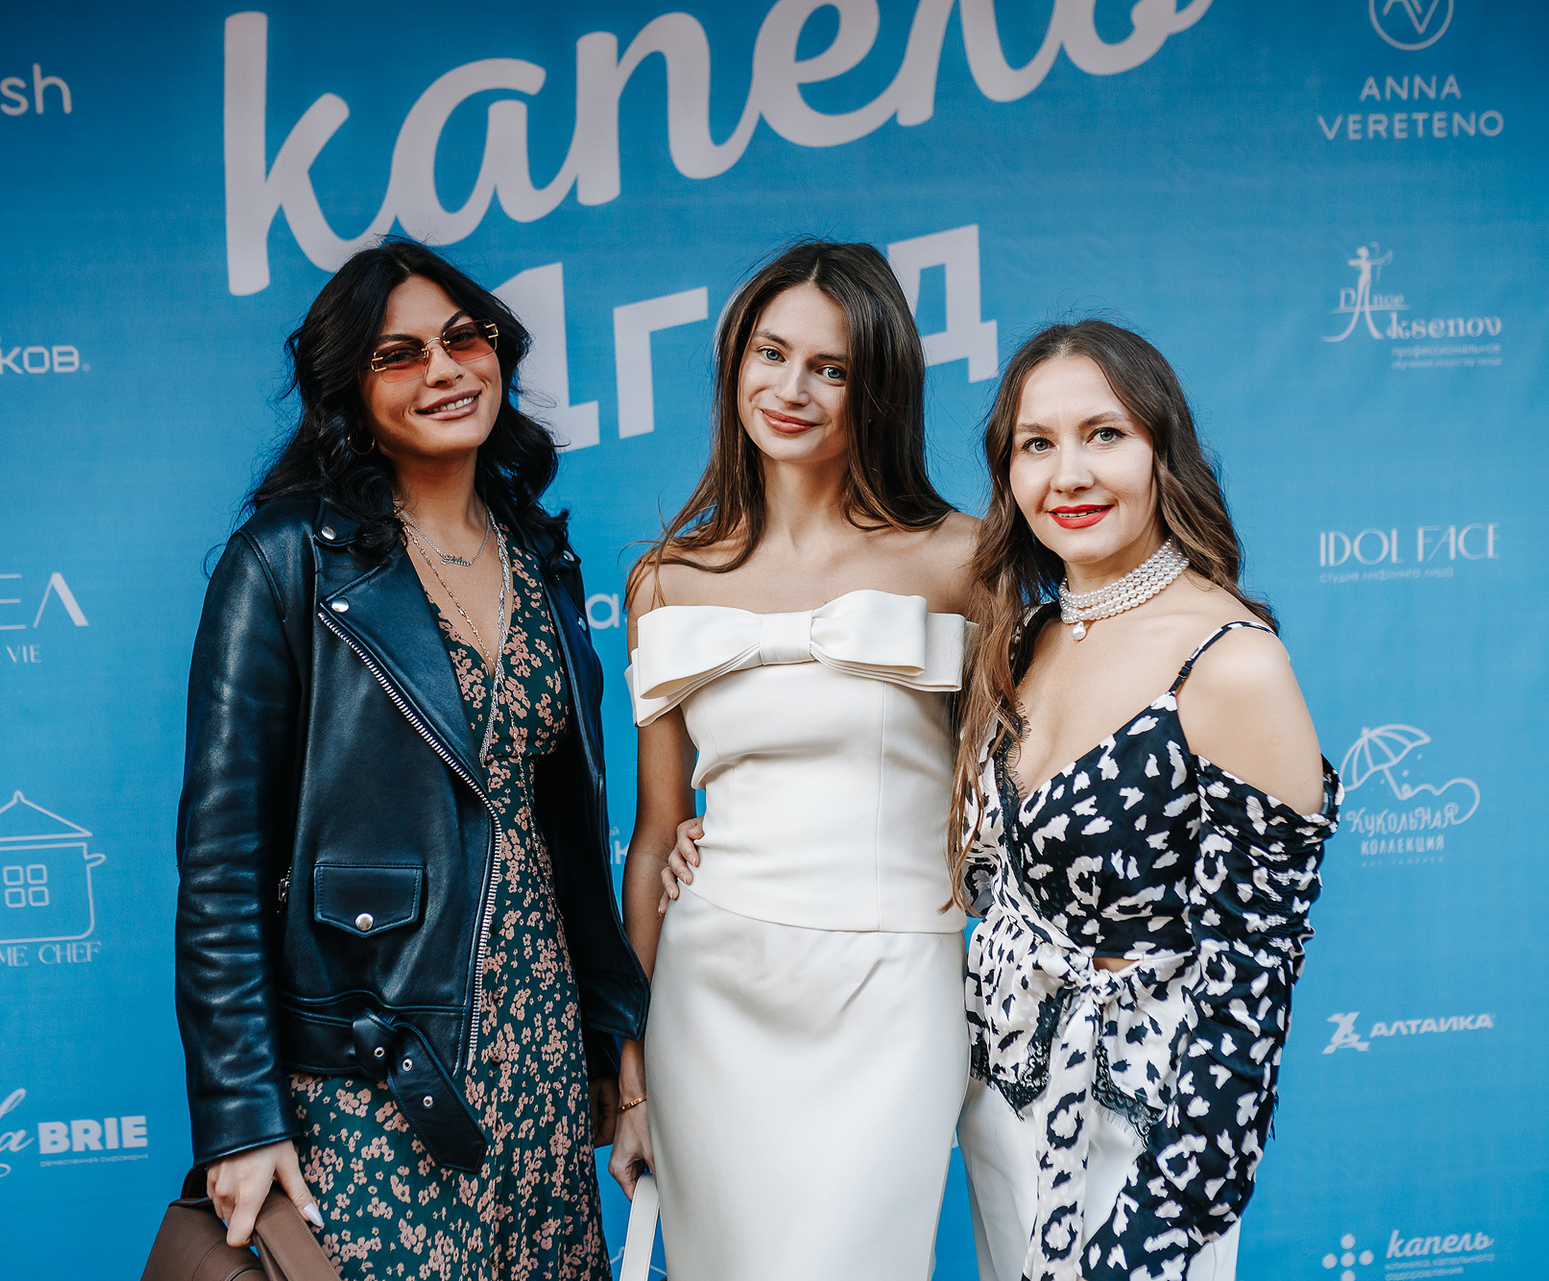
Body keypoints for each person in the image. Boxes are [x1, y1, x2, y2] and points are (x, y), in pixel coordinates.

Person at [174, 239, 647, 1279]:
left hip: (540, 1048)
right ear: (350, 389)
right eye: (400, 354)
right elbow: (220, 867)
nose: (444, 369)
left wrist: (617, 1042)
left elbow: (570, 840)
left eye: (464, 338)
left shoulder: (541, 559)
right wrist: (242, 1116)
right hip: (377, 1070)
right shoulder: (284, 562)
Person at [607, 240, 978, 1280]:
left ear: (880, 387)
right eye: (771, 354)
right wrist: (632, 1076)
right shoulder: (665, 580)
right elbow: (653, 837)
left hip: (894, 989)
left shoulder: (963, 558)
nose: (792, 389)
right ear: (736, 364)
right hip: (712, 991)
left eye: (832, 368)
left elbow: (1014, 792)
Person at [951, 320, 1340, 1281]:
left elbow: (1250, 985)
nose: (1069, 474)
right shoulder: (1023, 638)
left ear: (1163, 449)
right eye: (1036, 444)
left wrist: (1153, 1230)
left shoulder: (1231, 661)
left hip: (1141, 1137)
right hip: (999, 1102)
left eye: (1104, 434)